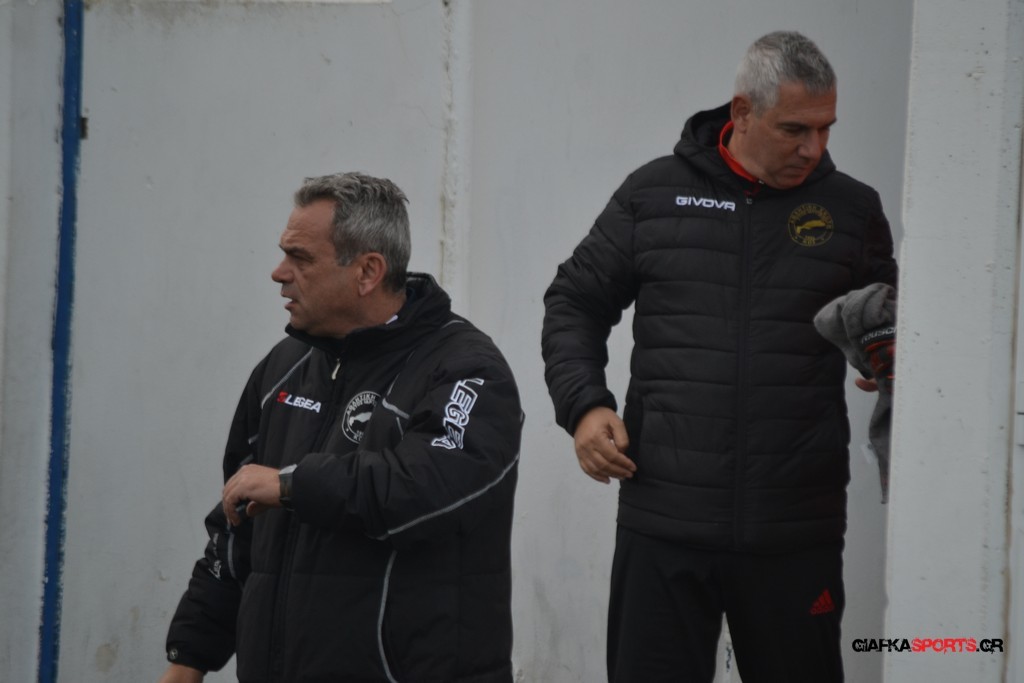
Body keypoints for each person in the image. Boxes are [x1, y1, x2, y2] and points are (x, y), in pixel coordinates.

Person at [541, 31, 897, 683]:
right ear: (742, 113)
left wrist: (888, 353)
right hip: (664, 522)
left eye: (825, 128)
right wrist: (585, 407)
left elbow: (893, 318)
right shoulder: (653, 194)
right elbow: (574, 301)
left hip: (796, 529)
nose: (814, 148)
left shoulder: (852, 210)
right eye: (795, 129)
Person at [158, 172, 523, 683]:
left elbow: (428, 490)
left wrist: (291, 485)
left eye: (301, 258)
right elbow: (234, 525)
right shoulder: (282, 366)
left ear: (368, 271)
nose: (279, 273)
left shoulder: (467, 367)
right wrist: (188, 661)